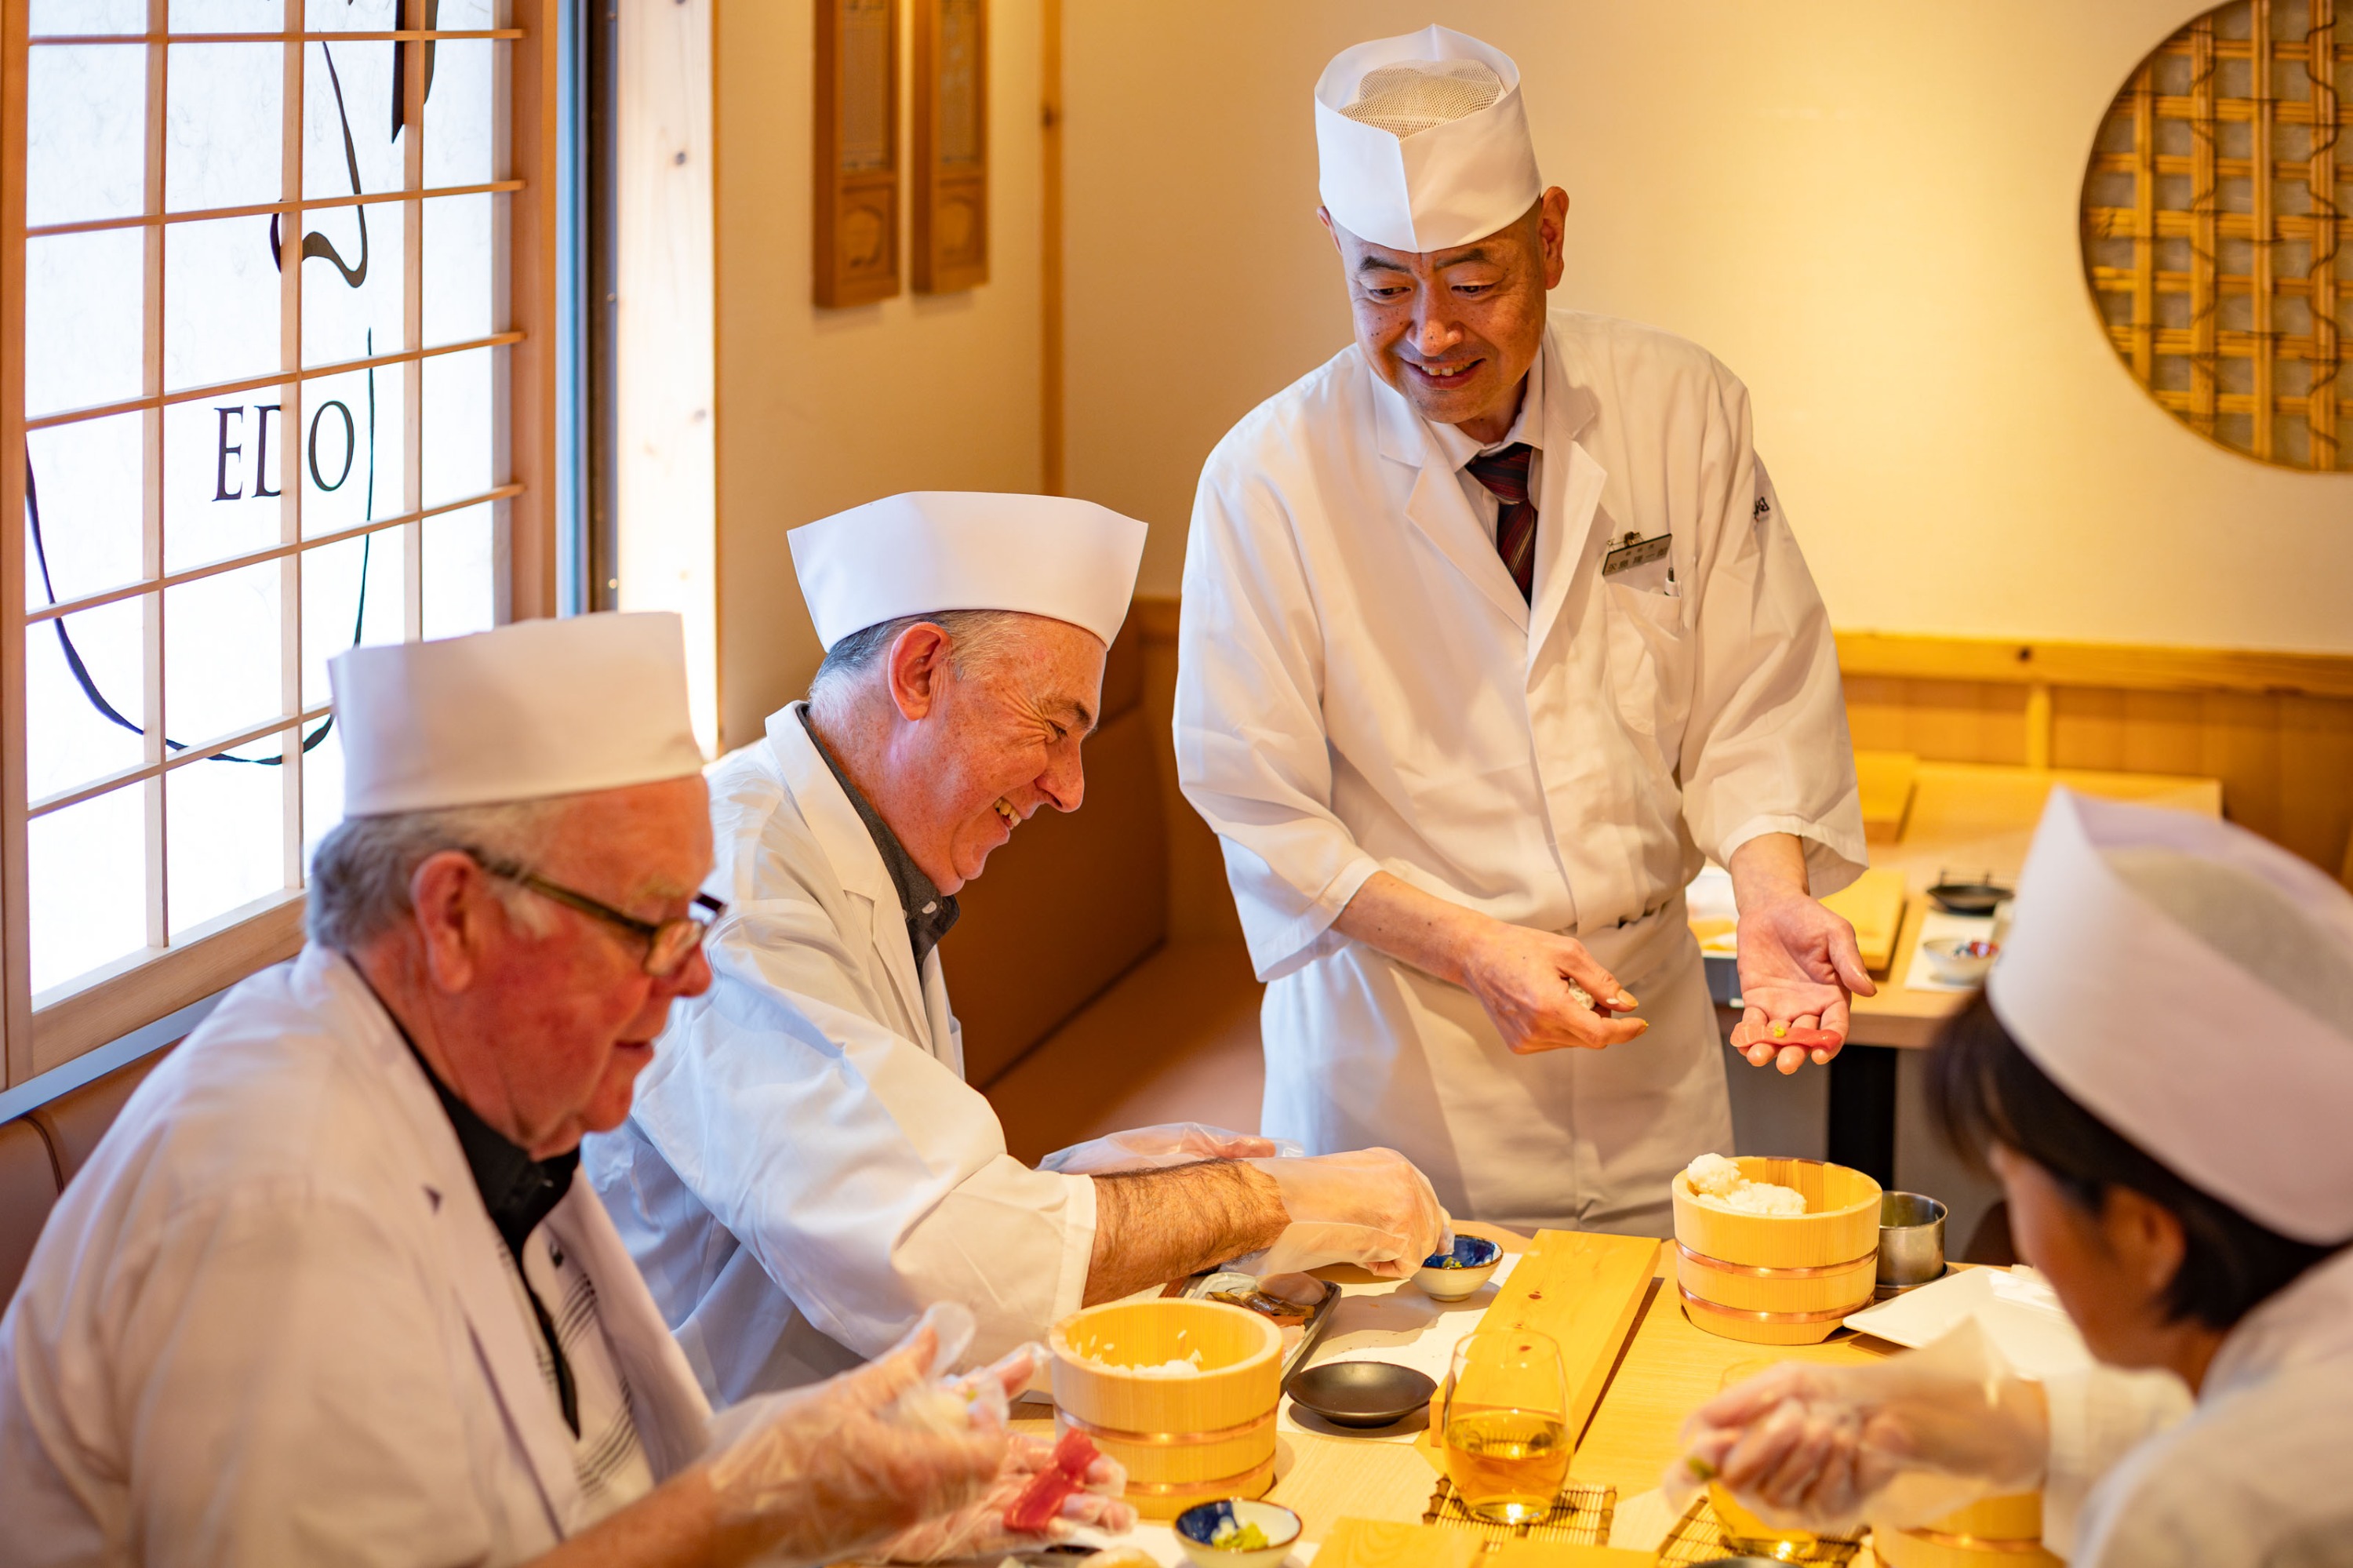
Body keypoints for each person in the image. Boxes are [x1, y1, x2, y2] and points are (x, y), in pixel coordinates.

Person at [0, 613, 1128, 1566]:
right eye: (646, 924)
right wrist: (765, 1498)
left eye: (698, 917)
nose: (690, 976)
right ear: (452, 918)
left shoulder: (484, 1097)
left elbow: (576, 1493)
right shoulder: (278, 1186)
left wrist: (885, 1498)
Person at [1173, 25, 1871, 1236]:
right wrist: (1472, 947)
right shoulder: (1268, 477)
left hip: (1647, 1052)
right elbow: (1260, 802)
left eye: (1475, 280)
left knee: (1660, 1382)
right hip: (1402, 1078)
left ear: (1550, 234)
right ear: (1334, 246)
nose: (1432, 334)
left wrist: (1768, 895)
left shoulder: (1678, 406)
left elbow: (1757, 693)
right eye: (1384, 284)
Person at [587, 492, 1449, 1401]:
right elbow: (920, 1258)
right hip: (717, 1473)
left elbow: (884, 1185)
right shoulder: (739, 888)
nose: (1070, 790)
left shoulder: (867, 841)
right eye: (1054, 727)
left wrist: (1086, 1186)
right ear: (920, 672)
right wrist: (1270, 1201)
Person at [1679, 788, 2353, 1566]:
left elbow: (2214, 1469)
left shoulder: (2202, 1514)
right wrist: (1952, 1415)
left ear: (2145, 1232)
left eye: (2010, 1175)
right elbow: (2196, 1413)